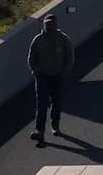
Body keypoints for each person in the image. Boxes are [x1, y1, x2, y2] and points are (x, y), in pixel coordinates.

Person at [28, 14, 74, 144]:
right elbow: (31, 58)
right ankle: (39, 131)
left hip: (58, 77)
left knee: (56, 103)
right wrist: (36, 72)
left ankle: (55, 125)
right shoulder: (38, 40)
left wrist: (64, 73)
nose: (49, 26)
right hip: (42, 78)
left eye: (51, 23)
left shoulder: (63, 39)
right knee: (42, 104)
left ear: (56, 24)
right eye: (47, 24)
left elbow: (70, 57)